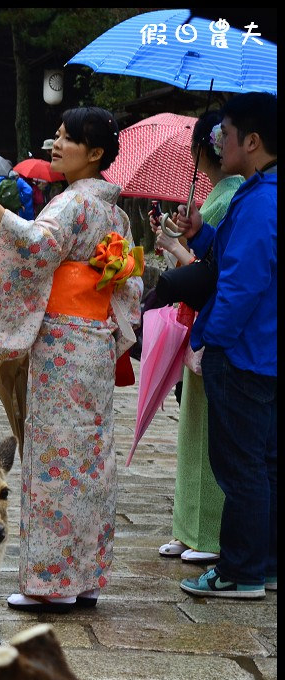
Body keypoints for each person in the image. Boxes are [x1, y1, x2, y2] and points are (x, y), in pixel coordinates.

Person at [0, 106, 143, 612]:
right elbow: (129, 283)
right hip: (95, 341)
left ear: (95, 153)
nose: (56, 145)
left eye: (67, 139)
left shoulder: (73, 205)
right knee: (89, 460)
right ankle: (85, 576)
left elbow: (35, 247)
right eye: (55, 135)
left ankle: (50, 582)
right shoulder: (113, 212)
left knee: (54, 458)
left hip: (61, 342)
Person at [173, 92, 277, 601]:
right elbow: (239, 256)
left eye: (227, 134)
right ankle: (265, 562)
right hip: (267, 352)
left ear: (252, 142)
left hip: (244, 353)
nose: (220, 141)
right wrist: (204, 233)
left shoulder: (260, 201)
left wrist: (209, 341)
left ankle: (240, 571)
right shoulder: (261, 195)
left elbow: (240, 285)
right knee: (266, 463)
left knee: (241, 468)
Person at [153, 110, 245, 567]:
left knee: (207, 429)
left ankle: (206, 529)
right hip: (202, 320)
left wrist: (174, 250)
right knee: (194, 424)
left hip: (213, 324)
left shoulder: (229, 197)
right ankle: (189, 526)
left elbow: (212, 275)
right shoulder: (221, 196)